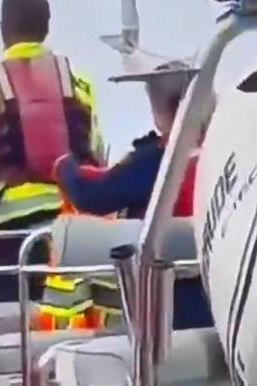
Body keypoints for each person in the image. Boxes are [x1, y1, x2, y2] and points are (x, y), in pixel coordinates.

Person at [0, 0, 105, 302]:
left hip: (9, 231)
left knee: (7, 319)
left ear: (3, 29)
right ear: (47, 27)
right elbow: (94, 150)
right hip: (69, 226)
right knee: (68, 314)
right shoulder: (79, 83)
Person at [54, 60, 214, 330]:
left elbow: (92, 194)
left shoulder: (158, 160)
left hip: (173, 304)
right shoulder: (218, 150)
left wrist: (64, 165)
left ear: (161, 106)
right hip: (216, 297)